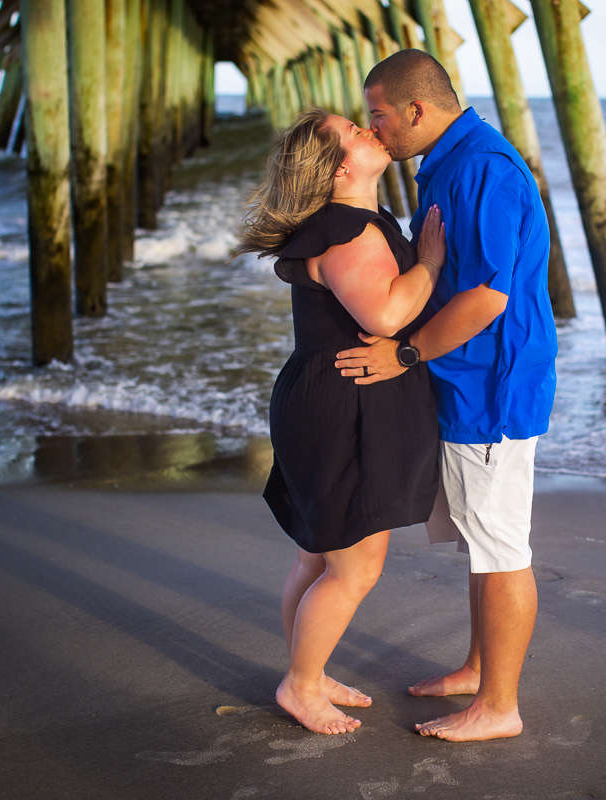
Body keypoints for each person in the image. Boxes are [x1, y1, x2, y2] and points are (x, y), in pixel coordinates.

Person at [334, 49, 558, 742]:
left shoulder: (483, 168)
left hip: (494, 383)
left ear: (417, 111)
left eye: (379, 116)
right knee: (478, 542)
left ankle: (501, 706)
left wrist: (404, 353)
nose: (375, 131)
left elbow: (489, 295)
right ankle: (476, 670)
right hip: (464, 379)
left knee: (501, 549)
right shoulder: (448, 160)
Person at [237, 108, 447, 735]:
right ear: (338, 170)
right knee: (355, 567)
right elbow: (385, 315)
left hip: (324, 398)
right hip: (341, 406)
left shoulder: (348, 222)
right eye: (351, 131)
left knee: (317, 557)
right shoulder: (350, 230)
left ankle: (312, 668)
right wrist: (430, 265)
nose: (366, 129)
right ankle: (300, 685)